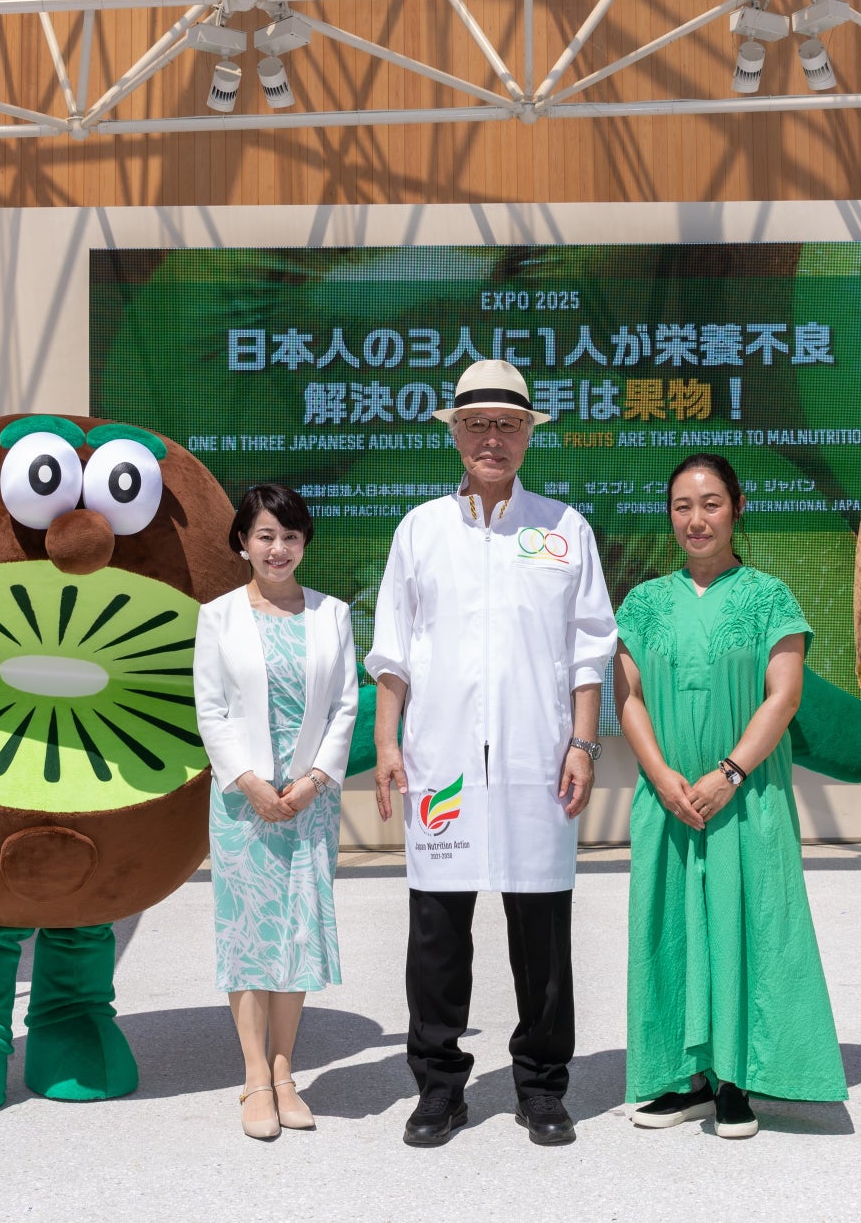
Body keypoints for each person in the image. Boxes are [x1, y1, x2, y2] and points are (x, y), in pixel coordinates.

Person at [366, 359, 617, 1149]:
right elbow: (394, 649)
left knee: (541, 929)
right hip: (440, 760)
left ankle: (542, 1086)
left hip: (535, 762)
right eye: (476, 424)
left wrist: (581, 740)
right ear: (455, 433)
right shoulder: (420, 529)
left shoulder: (563, 528)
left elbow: (589, 649)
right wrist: (386, 738)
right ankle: (439, 1086)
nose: (492, 439)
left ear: (528, 436)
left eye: (508, 425)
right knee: (437, 931)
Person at [612, 452, 847, 1139]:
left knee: (749, 923)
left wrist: (731, 774)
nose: (696, 519)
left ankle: (739, 1079)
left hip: (746, 797)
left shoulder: (770, 597)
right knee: (672, 927)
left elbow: (784, 696)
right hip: (669, 798)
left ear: (737, 507)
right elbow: (629, 697)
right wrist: (659, 775)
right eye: (682, 506)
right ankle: (687, 1078)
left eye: (710, 503)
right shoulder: (645, 602)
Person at [195, 483, 359, 1141]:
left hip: (310, 803)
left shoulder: (333, 615)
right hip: (243, 804)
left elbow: (346, 704)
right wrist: (249, 782)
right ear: (242, 542)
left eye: (290, 536)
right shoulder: (219, 617)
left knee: (297, 935)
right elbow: (210, 709)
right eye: (265, 535)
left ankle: (286, 1072)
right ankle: (254, 1079)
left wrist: (316, 779)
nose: (278, 548)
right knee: (248, 939)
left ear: (304, 543)